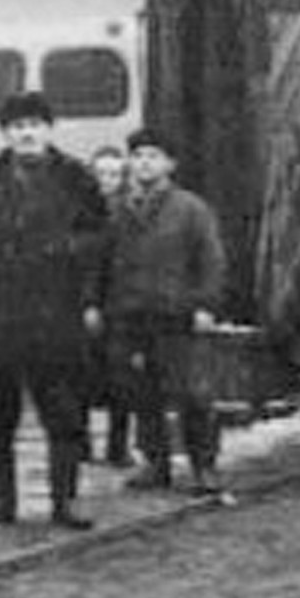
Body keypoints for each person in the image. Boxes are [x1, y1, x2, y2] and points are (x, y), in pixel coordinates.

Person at [0, 91, 108, 530]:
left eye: (34, 125)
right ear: (5, 133)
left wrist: (68, 251)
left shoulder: (76, 178)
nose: (26, 134)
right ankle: (1, 500)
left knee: (64, 412)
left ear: (49, 129)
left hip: (55, 314)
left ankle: (65, 500)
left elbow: (100, 238)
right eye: (17, 127)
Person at [105, 127, 228, 497]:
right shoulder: (115, 210)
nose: (145, 163)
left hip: (178, 314)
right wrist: (97, 305)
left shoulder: (190, 209)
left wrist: (206, 304)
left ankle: (203, 466)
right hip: (131, 314)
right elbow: (100, 262)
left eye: (153, 156)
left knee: (193, 393)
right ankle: (155, 463)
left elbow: (211, 260)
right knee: (142, 391)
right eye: (139, 155)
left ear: (169, 164)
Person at [87, 144, 135, 468]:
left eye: (115, 173)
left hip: (121, 303)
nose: (108, 180)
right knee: (81, 377)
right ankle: (81, 446)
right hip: (87, 303)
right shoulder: (80, 211)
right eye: (102, 173)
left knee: (121, 379)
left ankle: (118, 447)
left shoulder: (131, 212)